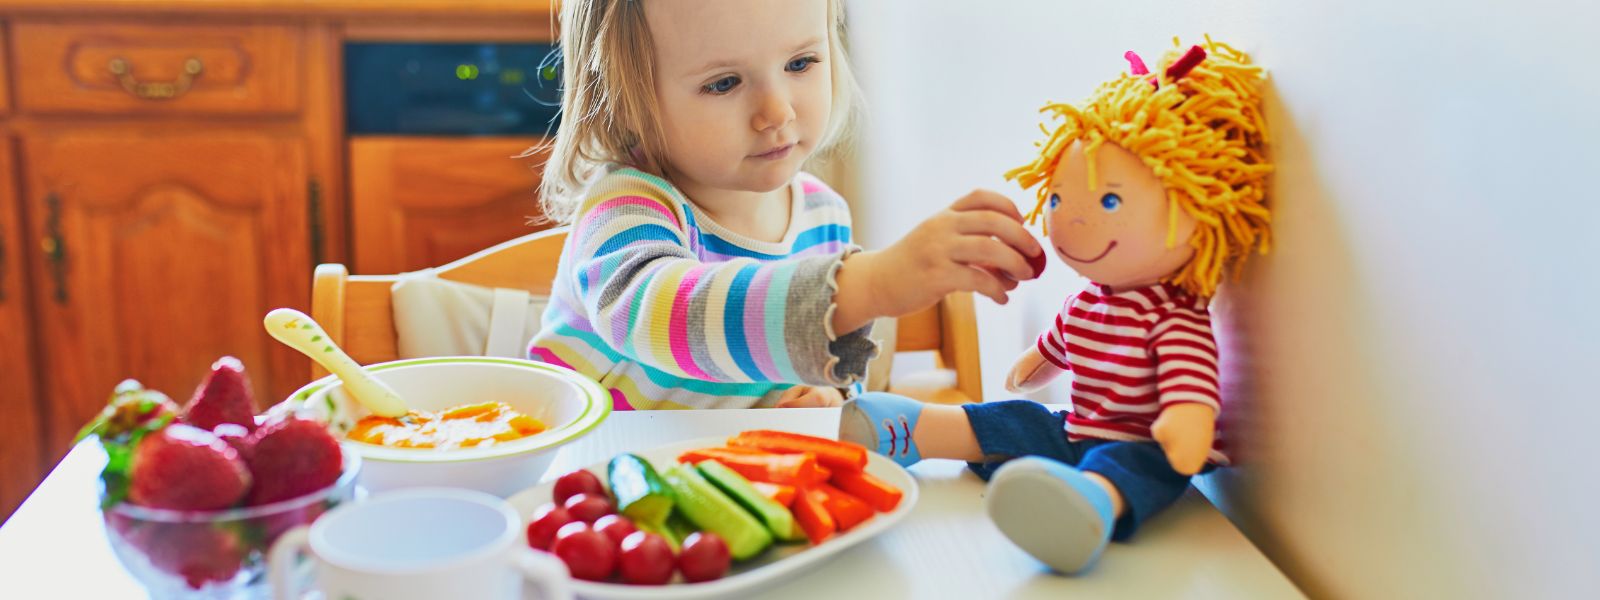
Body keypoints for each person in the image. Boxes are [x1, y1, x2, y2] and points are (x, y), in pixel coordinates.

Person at [840, 37, 1273, 574]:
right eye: (1061, 199)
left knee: (1131, 466)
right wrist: (1033, 365)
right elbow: (1058, 345)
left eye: (1109, 201)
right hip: (1075, 427)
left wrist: (1187, 424)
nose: (1070, 221)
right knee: (1020, 418)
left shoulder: (1174, 318)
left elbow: (1189, 390)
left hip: (1142, 442)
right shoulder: (1087, 301)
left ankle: (1085, 506)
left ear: (1196, 208)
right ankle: (914, 430)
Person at [528, 0, 1042, 410]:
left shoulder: (824, 216)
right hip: (595, 493)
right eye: (724, 82)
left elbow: (823, 356)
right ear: (626, 100)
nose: (777, 111)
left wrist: (828, 396)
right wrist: (873, 283)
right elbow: (660, 317)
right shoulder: (626, 207)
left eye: (801, 63)